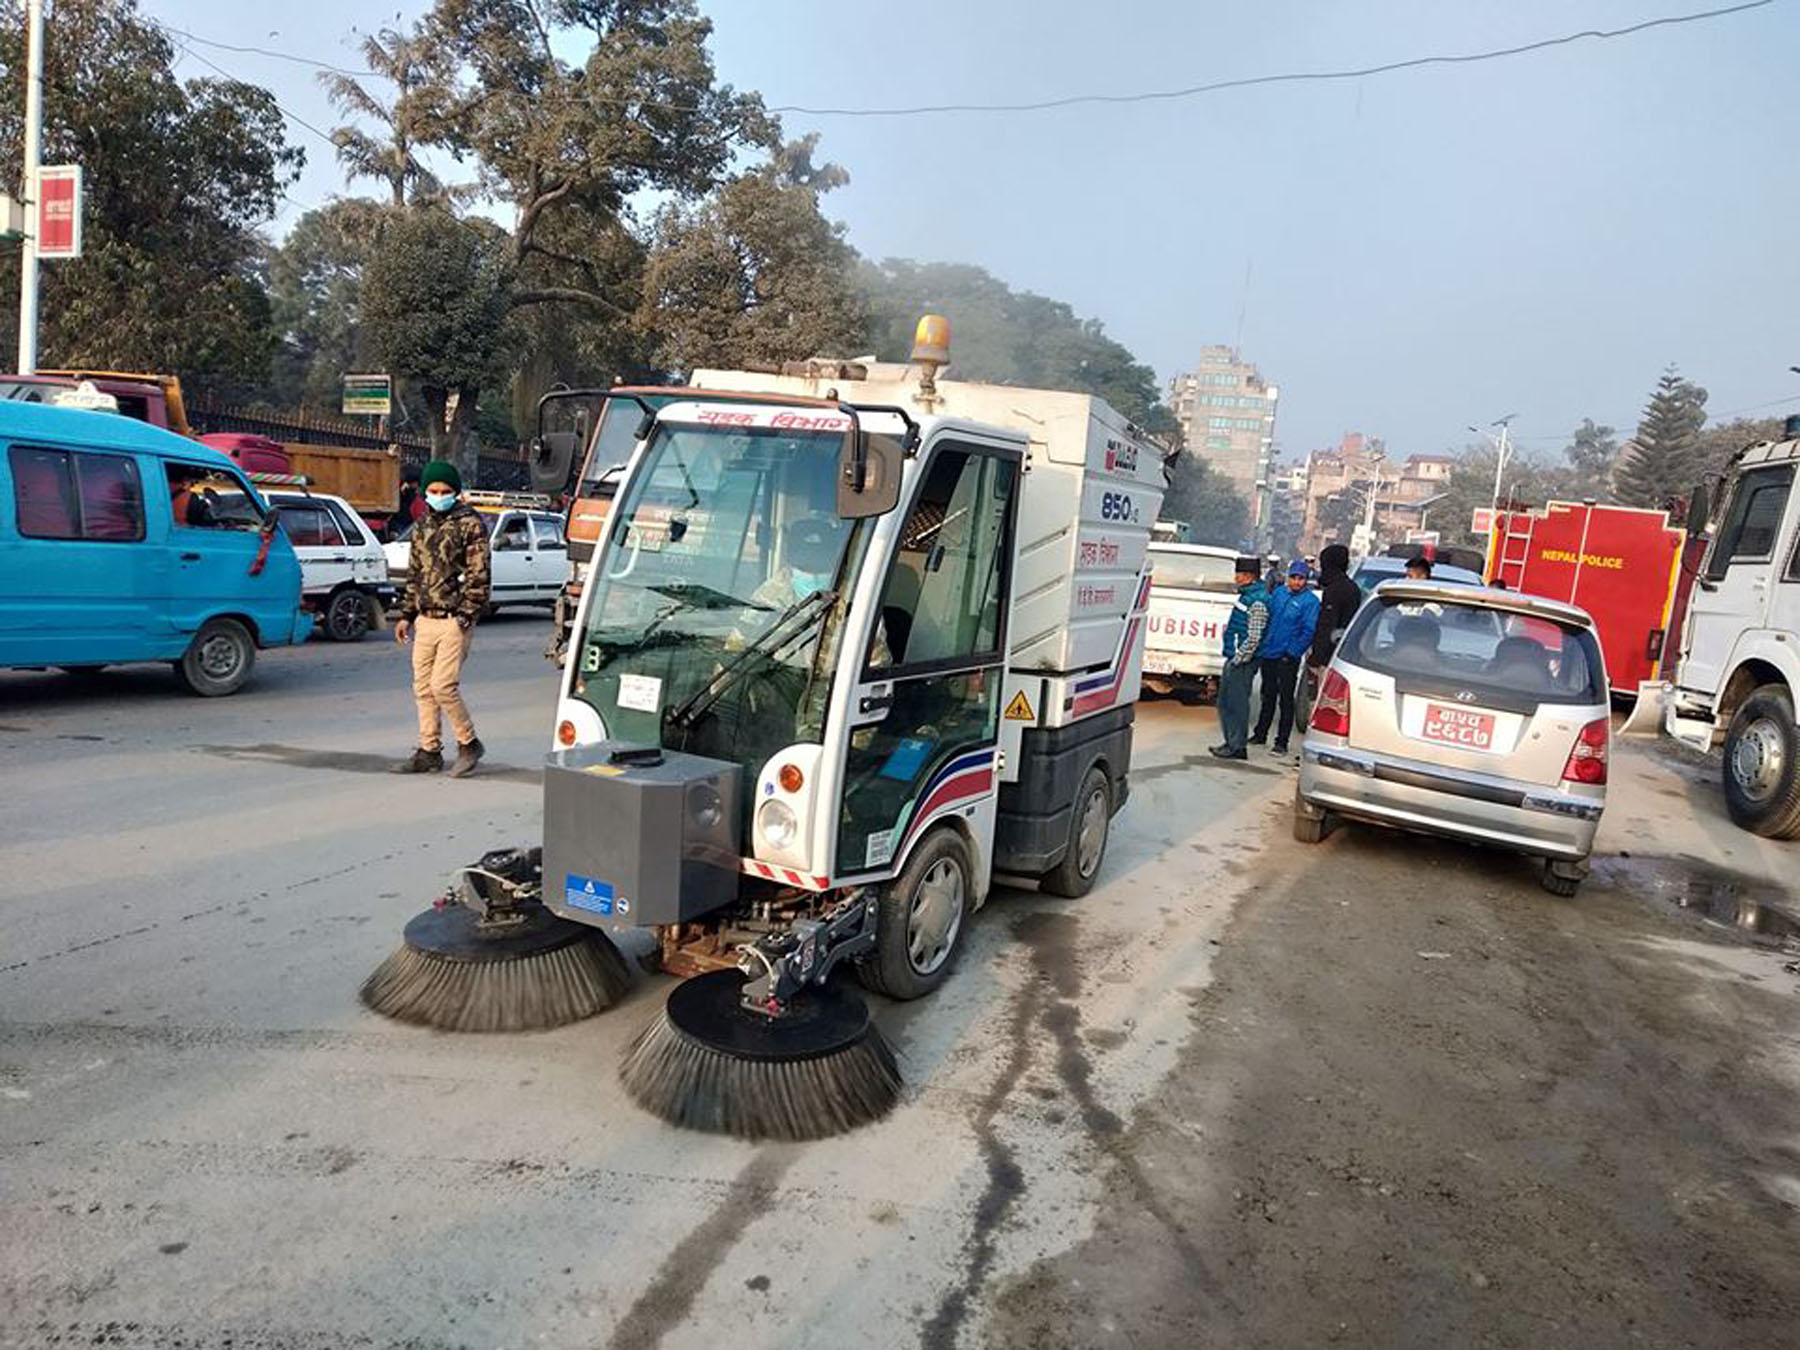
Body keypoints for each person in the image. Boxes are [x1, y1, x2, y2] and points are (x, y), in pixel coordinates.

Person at [391, 461, 491, 777]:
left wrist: (466, 614)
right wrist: (406, 614)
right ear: (425, 491)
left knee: (443, 686)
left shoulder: (470, 524)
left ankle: (469, 742)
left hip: (454, 619)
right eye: (433, 491)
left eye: (445, 491)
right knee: (423, 688)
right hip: (425, 618)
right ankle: (429, 750)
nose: (439, 495)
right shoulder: (422, 525)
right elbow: (415, 573)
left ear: (456, 492)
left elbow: (480, 574)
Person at [1250, 560, 1320, 754]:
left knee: (1286, 700)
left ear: (1306, 580)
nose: (1296, 582)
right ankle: (1260, 734)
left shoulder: (1310, 602)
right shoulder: (1279, 593)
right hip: (1270, 652)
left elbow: (1308, 631)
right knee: (1268, 695)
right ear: (1288, 577)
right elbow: (1269, 618)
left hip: (1287, 657)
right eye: (1294, 578)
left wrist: (1292, 652)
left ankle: (1281, 742)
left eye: (1301, 579)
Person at [1212, 557, 1270, 761]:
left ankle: (1236, 746)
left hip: (1242, 661)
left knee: (1236, 703)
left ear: (1247, 576)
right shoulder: (1248, 596)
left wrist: (1238, 658)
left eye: (1238, 574)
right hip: (1236, 657)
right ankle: (1231, 742)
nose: (1235, 577)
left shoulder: (1258, 601)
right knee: (1226, 701)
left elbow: (1254, 637)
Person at [1302, 544, 1363, 729]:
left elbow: (1326, 626)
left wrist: (1316, 658)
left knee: (1321, 699)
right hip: (1344, 653)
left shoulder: (1335, 590)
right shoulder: (1353, 588)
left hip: (1328, 656)